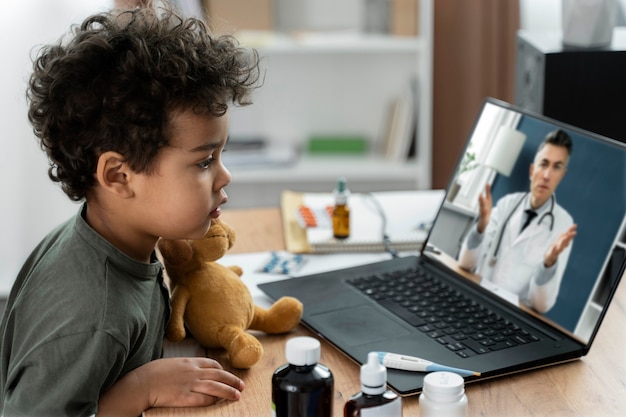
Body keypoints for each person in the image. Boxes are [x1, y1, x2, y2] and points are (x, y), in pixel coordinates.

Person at [0, 4, 261, 417]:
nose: (224, 176)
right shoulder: (92, 315)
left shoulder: (119, 238)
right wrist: (143, 387)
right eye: (204, 161)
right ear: (120, 177)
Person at [458, 129, 577, 313]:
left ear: (562, 175)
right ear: (532, 170)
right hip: (475, 300)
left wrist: (549, 263)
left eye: (556, 167)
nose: (546, 175)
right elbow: (465, 264)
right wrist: (481, 228)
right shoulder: (507, 204)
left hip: (513, 316)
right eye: (543, 164)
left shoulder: (563, 226)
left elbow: (542, 305)